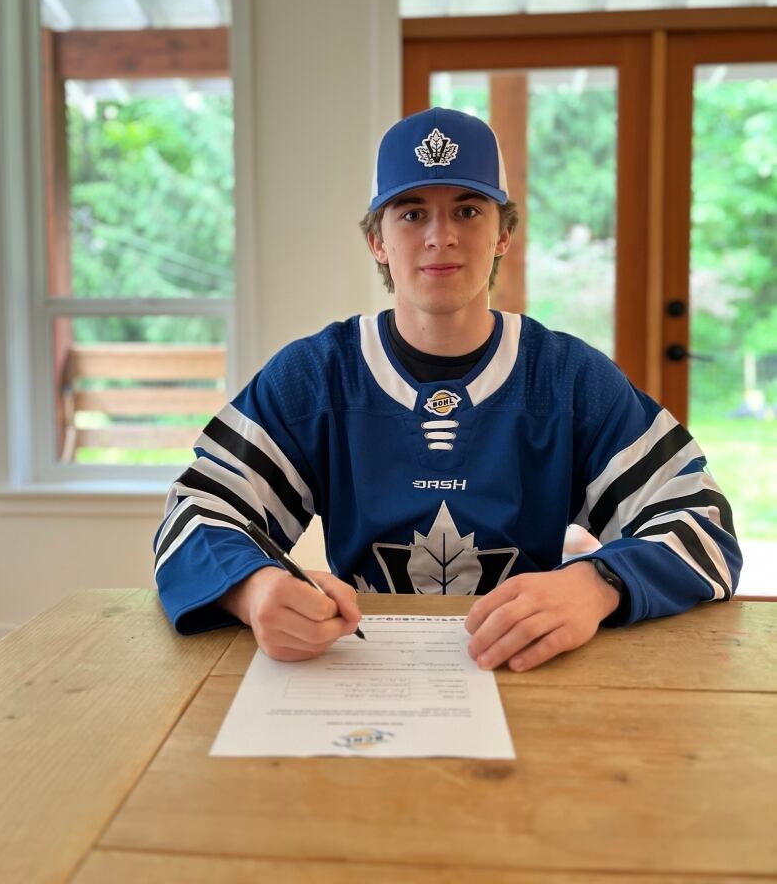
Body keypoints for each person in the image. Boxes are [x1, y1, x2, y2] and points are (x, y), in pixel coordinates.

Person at [153, 107, 741, 672]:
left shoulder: (567, 378)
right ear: (377, 241)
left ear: (503, 233)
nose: (441, 237)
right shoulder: (316, 376)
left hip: (531, 667)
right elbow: (196, 513)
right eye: (411, 214)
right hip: (361, 669)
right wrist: (253, 590)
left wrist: (595, 584)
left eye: (467, 211)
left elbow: (701, 520)